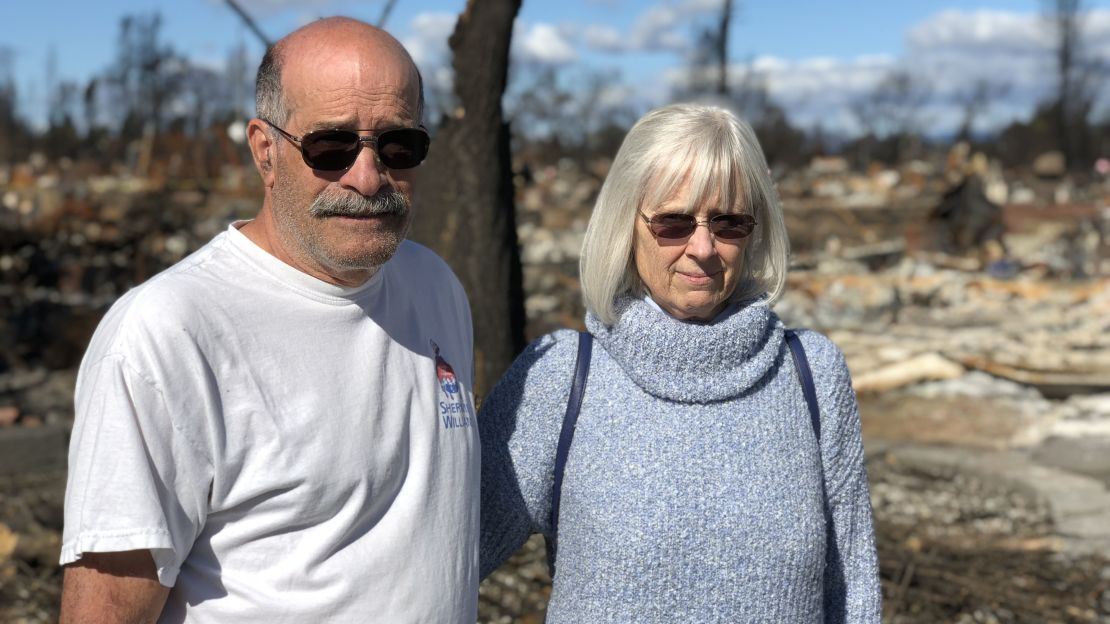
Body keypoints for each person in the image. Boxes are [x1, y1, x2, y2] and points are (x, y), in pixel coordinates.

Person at [59, 17, 479, 623]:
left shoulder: (434, 286)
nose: (367, 177)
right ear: (266, 150)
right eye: (330, 147)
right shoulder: (167, 334)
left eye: (398, 146)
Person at [479, 103, 882, 622]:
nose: (703, 247)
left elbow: (853, 595)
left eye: (729, 221)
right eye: (672, 222)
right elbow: (439, 563)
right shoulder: (561, 378)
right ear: (625, 224)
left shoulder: (811, 375)